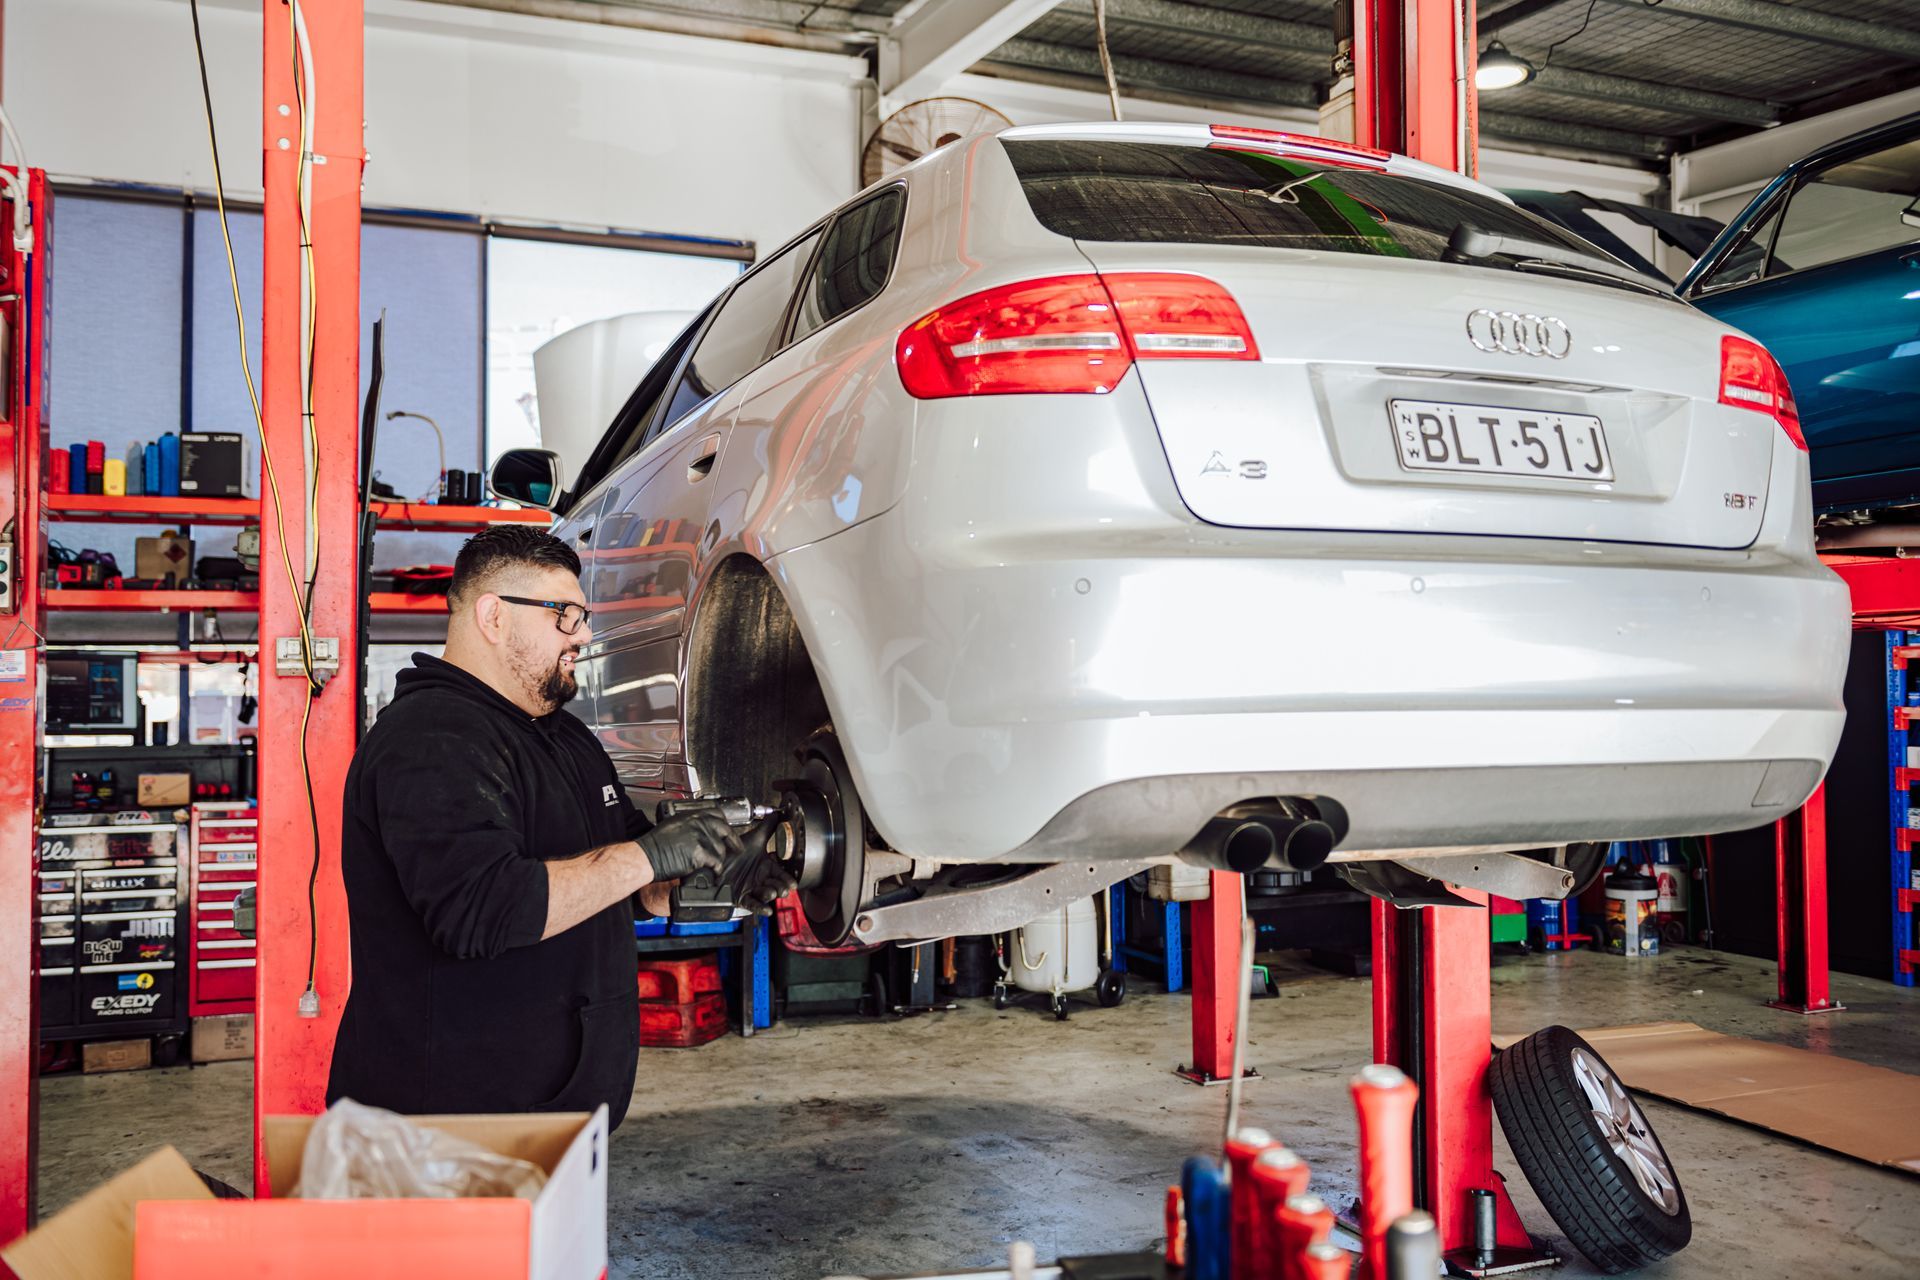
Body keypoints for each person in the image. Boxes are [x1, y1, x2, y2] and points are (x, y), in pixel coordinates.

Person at [327, 525, 795, 1127]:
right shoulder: (431, 740)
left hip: (550, 1111)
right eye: (565, 616)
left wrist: (713, 877)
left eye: (584, 616)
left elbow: (626, 886)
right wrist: (651, 855)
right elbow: (480, 911)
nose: (585, 634)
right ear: (493, 616)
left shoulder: (564, 735)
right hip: (447, 1123)